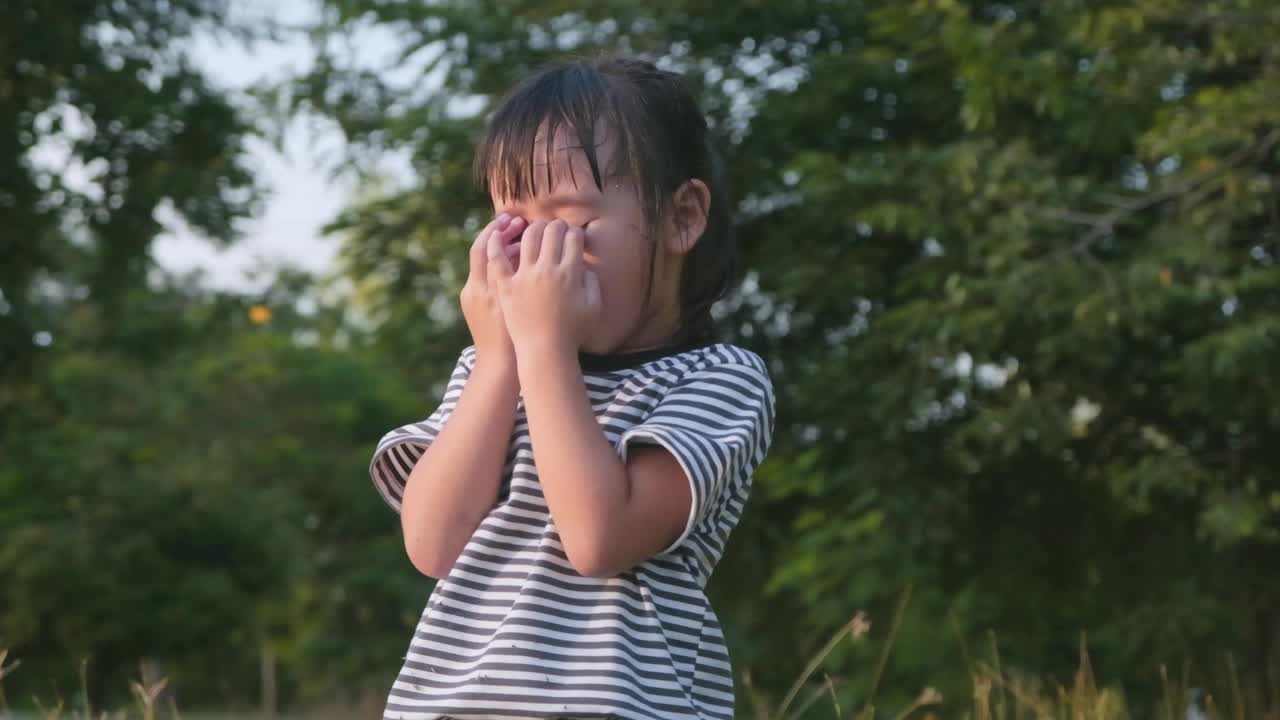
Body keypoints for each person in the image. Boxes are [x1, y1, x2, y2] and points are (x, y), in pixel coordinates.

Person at [368, 55, 776, 720]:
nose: (538, 258)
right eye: (515, 224)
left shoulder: (718, 379)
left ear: (682, 217)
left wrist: (542, 348)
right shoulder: (493, 372)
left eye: (573, 223)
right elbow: (433, 543)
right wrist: (502, 361)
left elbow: (597, 539)